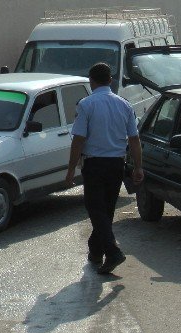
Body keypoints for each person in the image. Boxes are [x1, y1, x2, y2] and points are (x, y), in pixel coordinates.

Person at [65, 62, 144, 274]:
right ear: (110, 80)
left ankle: (112, 252)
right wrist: (138, 167)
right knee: (105, 210)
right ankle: (95, 251)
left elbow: (78, 139)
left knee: (95, 208)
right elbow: (134, 140)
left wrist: (71, 169)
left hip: (95, 164)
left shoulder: (86, 105)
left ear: (91, 81)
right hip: (116, 165)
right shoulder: (124, 105)